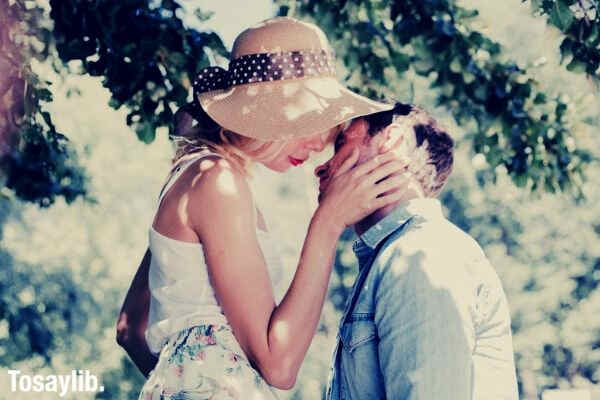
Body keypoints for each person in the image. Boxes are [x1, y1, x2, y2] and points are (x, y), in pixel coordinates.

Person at [116, 17, 408, 399]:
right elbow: (279, 364)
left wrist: (186, 377)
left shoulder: (196, 175)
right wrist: (329, 222)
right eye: (314, 119)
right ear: (272, 112)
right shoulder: (217, 181)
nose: (322, 142)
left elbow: (129, 328)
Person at [316, 102, 519, 400]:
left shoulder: (421, 254)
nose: (321, 167)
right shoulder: (393, 257)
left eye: (341, 143)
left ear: (393, 142)